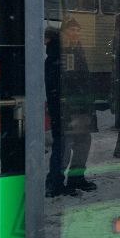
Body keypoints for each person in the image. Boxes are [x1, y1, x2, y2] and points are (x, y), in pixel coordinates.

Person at [45, 19, 96, 196]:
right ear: (64, 33)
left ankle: (75, 177)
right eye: (72, 30)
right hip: (66, 107)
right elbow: (63, 82)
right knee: (64, 145)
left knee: (83, 142)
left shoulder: (76, 51)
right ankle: (55, 182)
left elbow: (82, 80)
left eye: (78, 30)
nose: (76, 34)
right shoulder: (59, 53)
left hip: (78, 106)